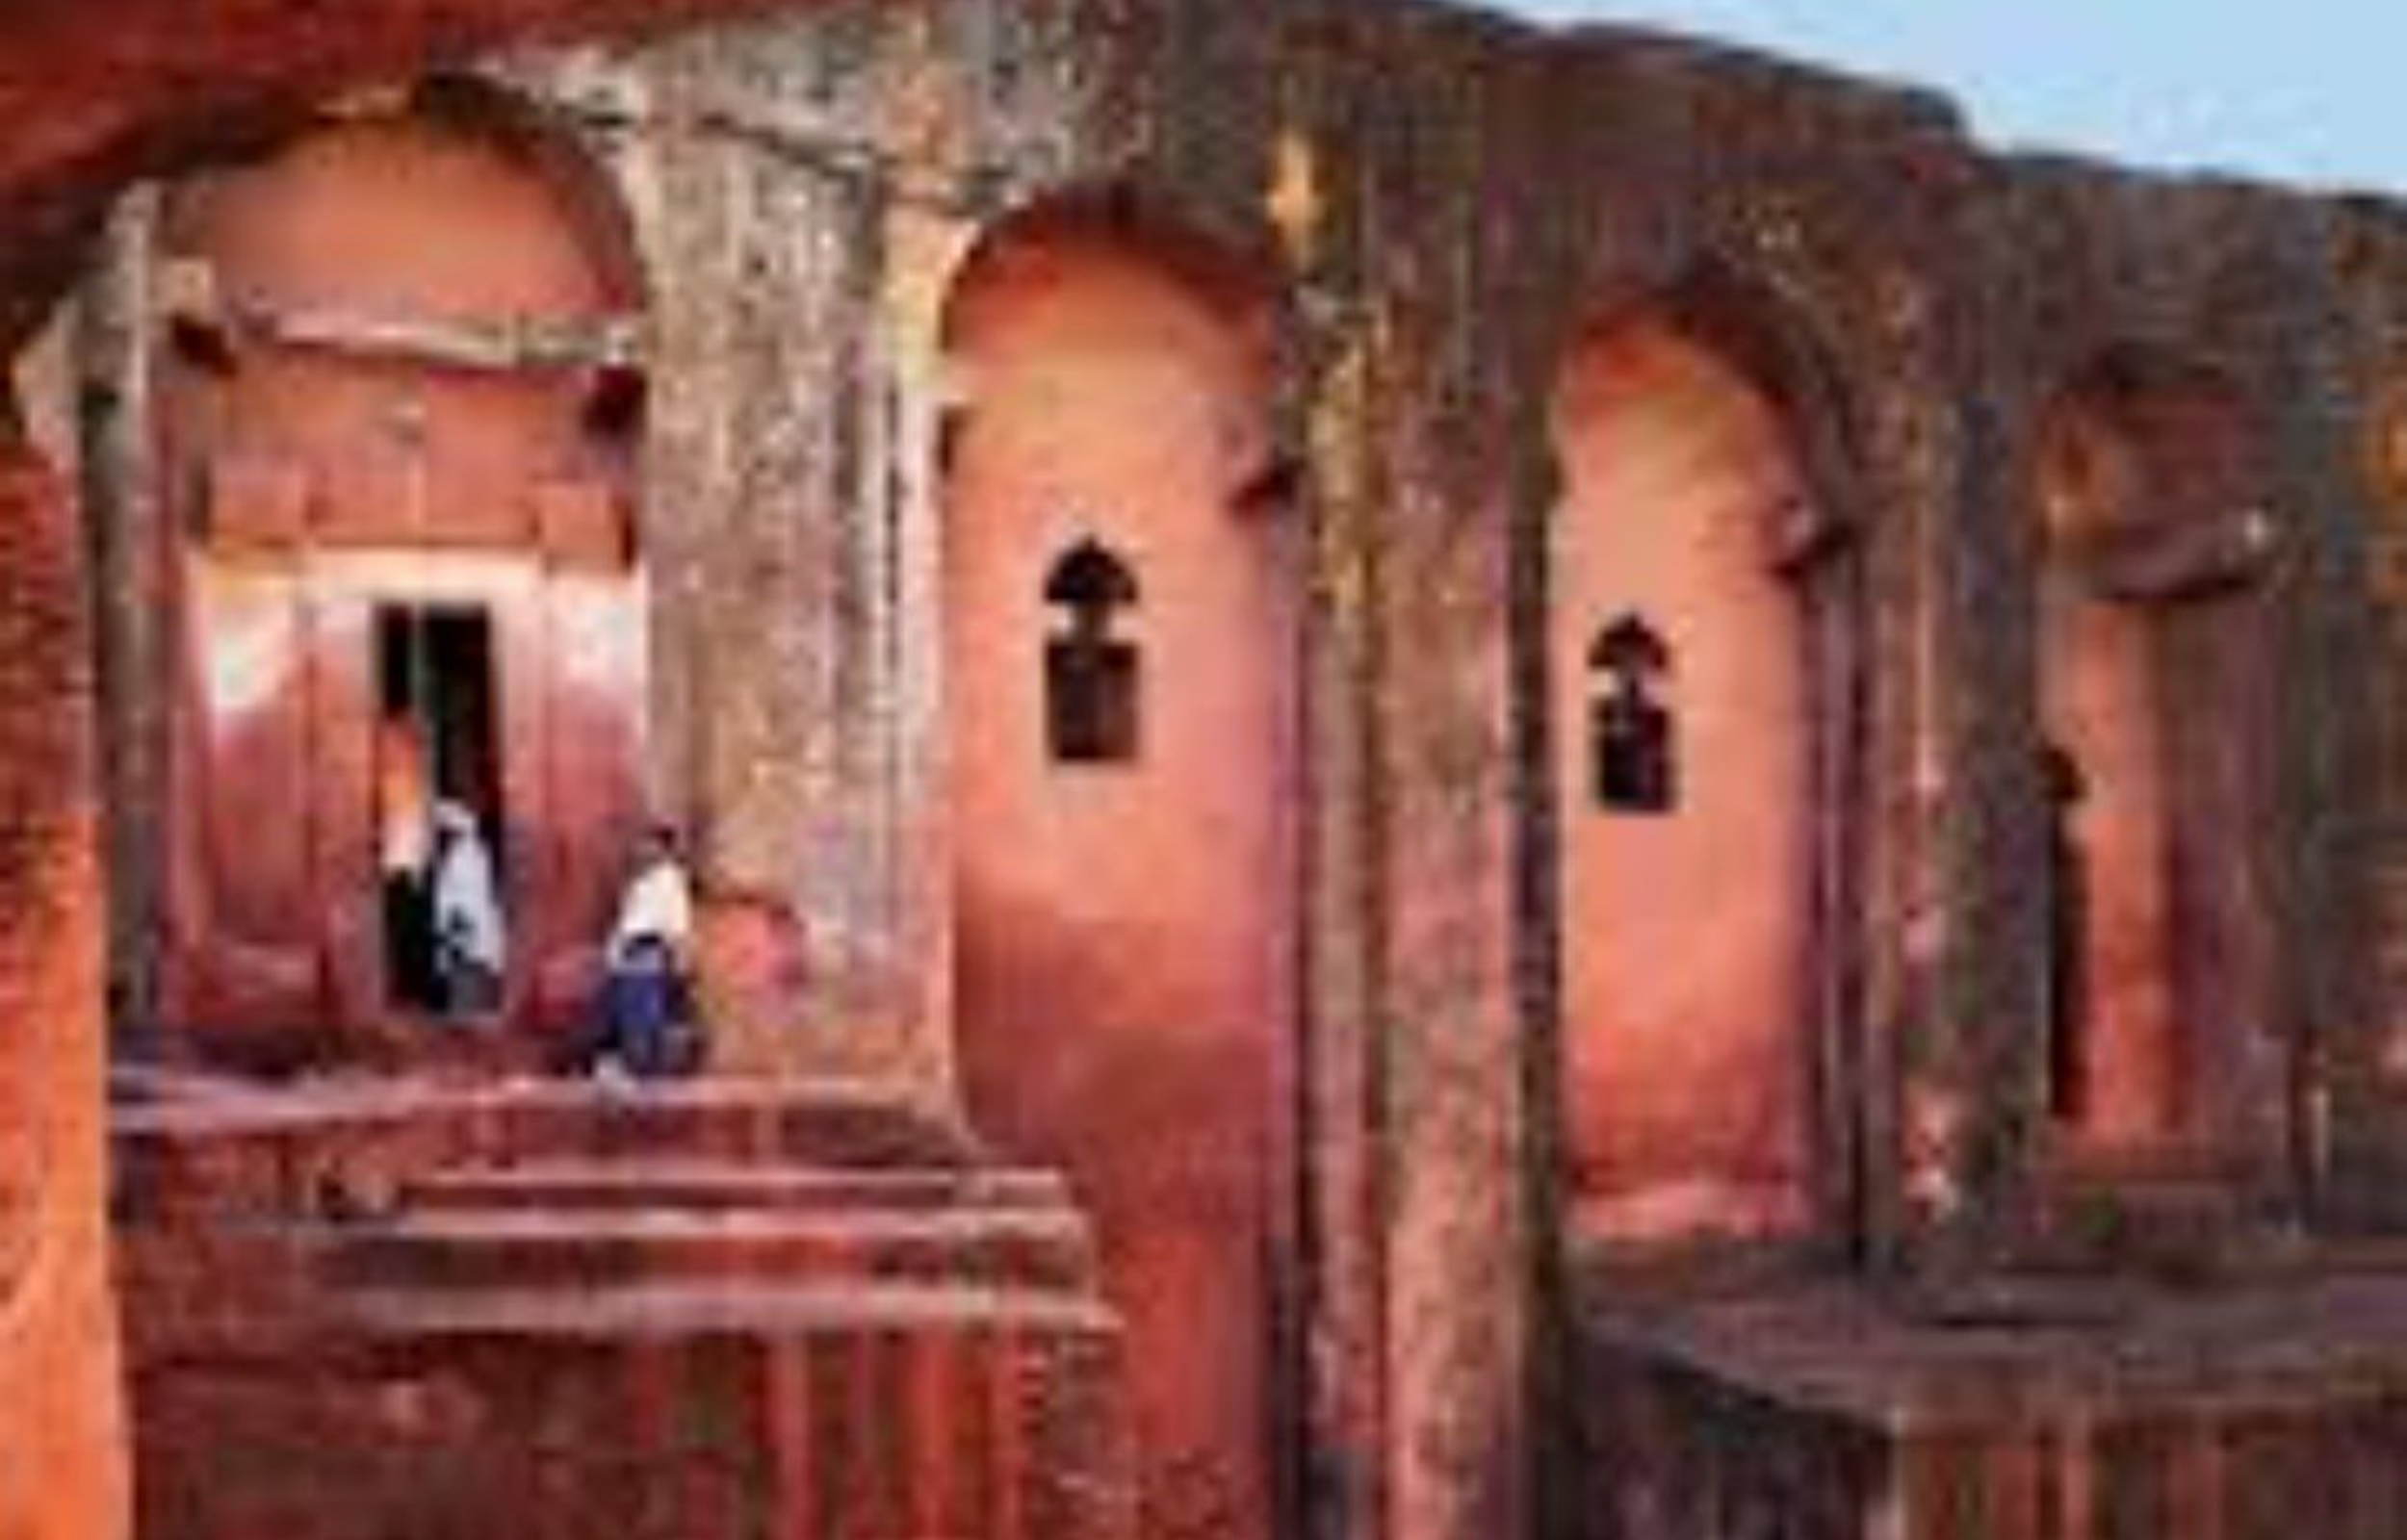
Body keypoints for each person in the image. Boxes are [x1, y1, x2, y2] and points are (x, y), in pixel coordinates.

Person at [590, 822, 699, 1078]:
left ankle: (645, 1074)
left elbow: (677, 924)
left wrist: (681, 961)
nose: (642, 849)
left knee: (643, 1017)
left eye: (649, 844)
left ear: (663, 848)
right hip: (626, 958)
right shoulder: (642, 882)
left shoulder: (670, 880)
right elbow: (626, 926)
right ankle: (626, 1070)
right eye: (642, 844)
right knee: (620, 1015)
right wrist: (613, 957)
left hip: (647, 953)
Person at [376, 718, 435, 1009]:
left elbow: (412, 827)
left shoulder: (406, 780)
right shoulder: (401, 779)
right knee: (403, 934)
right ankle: (408, 992)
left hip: (403, 870)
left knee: (406, 933)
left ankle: (410, 994)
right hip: (401, 869)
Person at [427, 800, 506, 1019]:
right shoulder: (462, 854)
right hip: (463, 938)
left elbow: (467, 901)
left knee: (467, 998)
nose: (441, 835)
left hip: (466, 939)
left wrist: (456, 931)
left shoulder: (467, 856)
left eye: (444, 830)